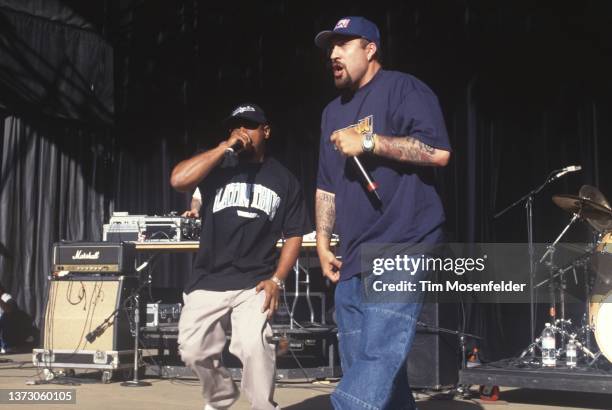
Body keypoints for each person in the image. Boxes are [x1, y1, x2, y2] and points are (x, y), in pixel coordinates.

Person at [314, 17, 452, 409]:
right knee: (364, 363)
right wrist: (324, 243)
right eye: (330, 48)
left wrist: (369, 141)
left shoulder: (403, 88)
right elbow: (326, 185)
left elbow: (437, 152)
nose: (333, 55)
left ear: (370, 48)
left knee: (379, 353)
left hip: (403, 239)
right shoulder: (331, 112)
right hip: (354, 251)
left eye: (343, 45)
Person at [170, 103, 308, 410]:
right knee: (192, 350)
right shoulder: (216, 168)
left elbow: (295, 234)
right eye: (236, 126)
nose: (241, 131)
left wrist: (277, 280)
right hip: (209, 278)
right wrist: (223, 149)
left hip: (254, 282)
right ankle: (220, 397)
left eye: (249, 125)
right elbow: (179, 180)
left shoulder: (284, 180)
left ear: (266, 131)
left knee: (255, 346)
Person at [0, 282, 15, 354]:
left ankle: (5, 347)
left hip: (5, 322)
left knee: (3, 318)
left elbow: (8, 310)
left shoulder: (6, 297)